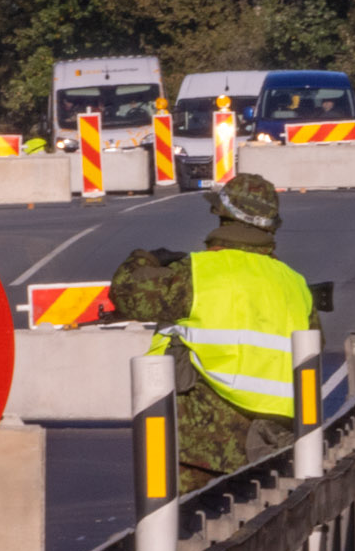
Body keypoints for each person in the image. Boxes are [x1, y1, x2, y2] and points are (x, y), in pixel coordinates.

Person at [109, 174, 319, 480]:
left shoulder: (196, 273)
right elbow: (313, 348)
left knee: (184, 525)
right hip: (271, 442)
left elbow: (127, 293)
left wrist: (147, 258)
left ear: (221, 216)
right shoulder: (294, 283)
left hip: (200, 444)